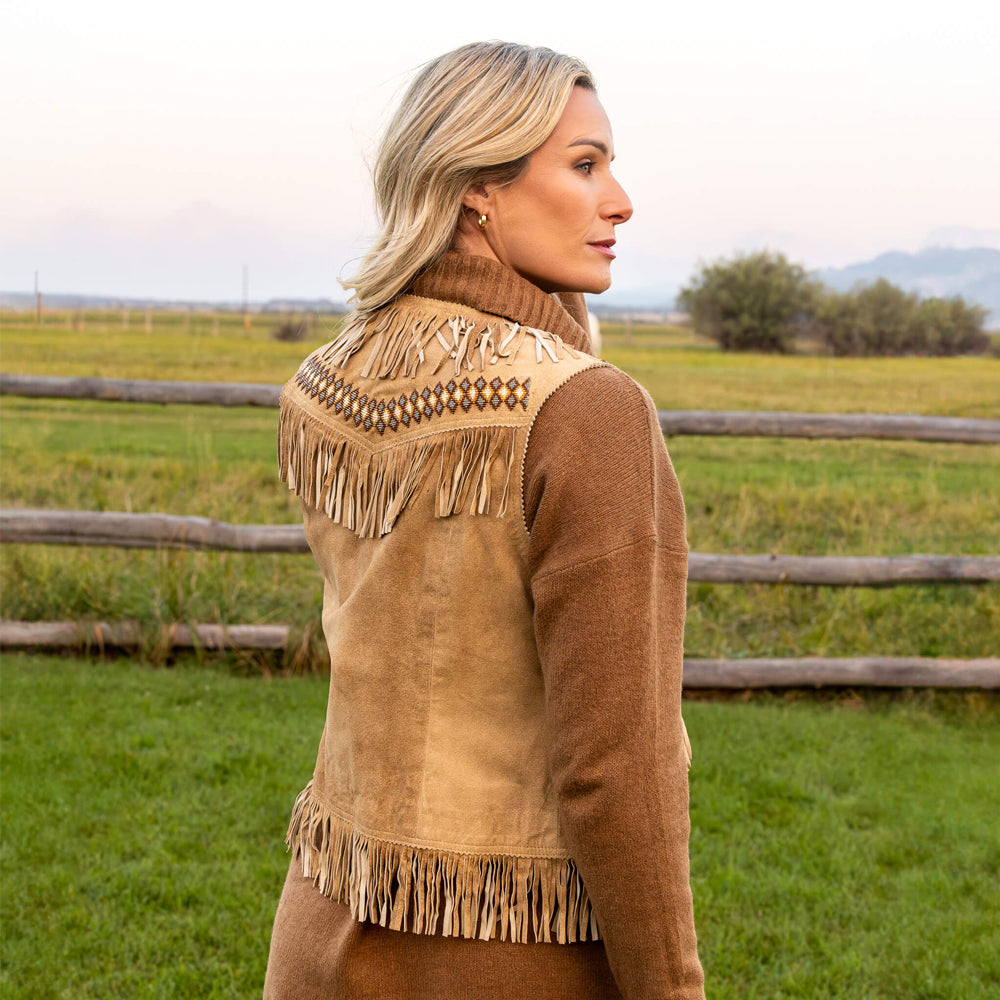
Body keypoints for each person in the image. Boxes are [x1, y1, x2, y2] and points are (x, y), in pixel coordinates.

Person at [263, 41, 705, 1000]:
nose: (620, 200)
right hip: (507, 955)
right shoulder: (585, 409)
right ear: (477, 189)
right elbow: (616, 770)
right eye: (585, 165)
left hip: (318, 930)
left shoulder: (325, 383)